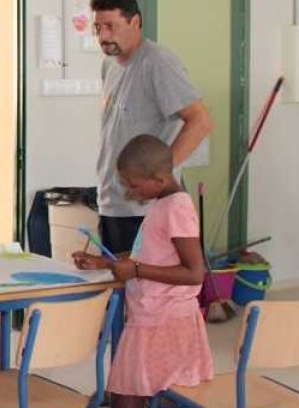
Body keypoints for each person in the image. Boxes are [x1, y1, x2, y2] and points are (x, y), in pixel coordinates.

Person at [74, 134, 213, 408]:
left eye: (134, 186)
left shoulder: (176, 207)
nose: (130, 192)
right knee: (132, 390)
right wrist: (106, 262)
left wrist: (136, 270)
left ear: (158, 180)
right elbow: (150, 254)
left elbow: (195, 272)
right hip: (150, 316)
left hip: (164, 321)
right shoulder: (162, 204)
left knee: (132, 393)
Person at [92, 0, 212, 254]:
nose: (103, 36)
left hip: (145, 207)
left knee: (145, 290)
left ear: (135, 22)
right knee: (117, 287)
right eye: (98, 28)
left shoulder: (158, 62)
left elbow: (200, 121)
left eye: (111, 26)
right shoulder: (109, 65)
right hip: (112, 201)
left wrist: (159, 177)